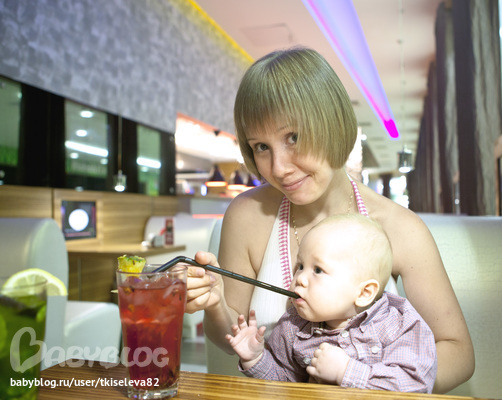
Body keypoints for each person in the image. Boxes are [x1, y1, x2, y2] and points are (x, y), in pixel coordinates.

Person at [186, 46, 474, 393]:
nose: (278, 168)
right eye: (261, 146)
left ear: (333, 123)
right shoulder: (247, 215)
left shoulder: (398, 226)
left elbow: (458, 353)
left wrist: (370, 382)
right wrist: (215, 303)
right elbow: (229, 335)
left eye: (293, 137)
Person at [225, 214, 437, 392]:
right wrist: (255, 359)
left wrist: (346, 371)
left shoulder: (398, 324)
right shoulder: (291, 326)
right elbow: (283, 387)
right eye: (300, 266)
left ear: (364, 292)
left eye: (318, 270)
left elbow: (416, 386)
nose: (300, 278)